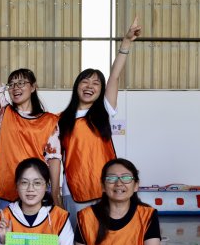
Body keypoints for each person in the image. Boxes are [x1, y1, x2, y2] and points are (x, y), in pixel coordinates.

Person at [0, 15, 62, 210]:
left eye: (21, 83)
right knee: (7, 231)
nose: (15, 87)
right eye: (11, 84)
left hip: (36, 191)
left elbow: (54, 159)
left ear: (33, 87)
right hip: (6, 190)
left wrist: (55, 193)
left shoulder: (50, 121)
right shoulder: (4, 112)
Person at [58, 18, 142, 228]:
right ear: (77, 86)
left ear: (101, 90)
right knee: (78, 237)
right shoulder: (61, 119)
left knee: (104, 236)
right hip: (73, 189)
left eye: (96, 83)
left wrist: (126, 42)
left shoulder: (104, 110)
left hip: (106, 188)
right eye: (85, 81)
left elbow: (114, 76)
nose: (90, 86)